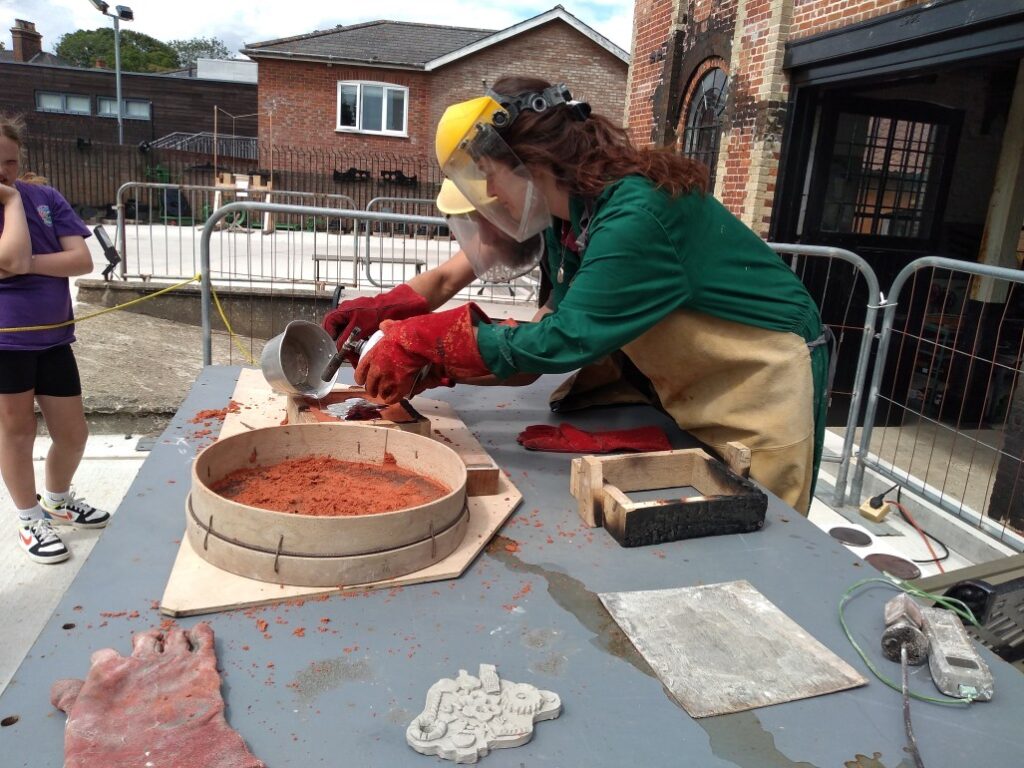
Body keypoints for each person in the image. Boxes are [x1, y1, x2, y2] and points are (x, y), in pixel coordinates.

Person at [353, 77, 830, 513]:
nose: (491, 197)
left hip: (760, 380)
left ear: (530, 162)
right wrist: (445, 362)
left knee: (761, 534)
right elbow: (542, 338)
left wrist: (443, 340)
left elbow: (566, 339)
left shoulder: (634, 215)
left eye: (490, 176)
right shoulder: (579, 220)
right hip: (701, 390)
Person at [0, 114, 110, 564]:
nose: (2, 171)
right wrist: (9, 205)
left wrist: (23, 264)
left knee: (73, 433)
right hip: (6, 343)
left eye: (9, 161)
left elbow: (81, 259)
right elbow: (12, 253)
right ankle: (29, 517)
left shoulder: (45, 197)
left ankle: (58, 500)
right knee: (17, 432)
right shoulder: (14, 202)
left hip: (53, 337)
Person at [322, 179, 546, 358]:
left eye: (487, 218)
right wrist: (380, 308)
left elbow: (545, 344)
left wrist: (440, 353)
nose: (483, 238)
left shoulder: (570, 235)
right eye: (473, 221)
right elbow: (445, 279)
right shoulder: (508, 225)